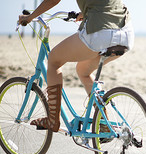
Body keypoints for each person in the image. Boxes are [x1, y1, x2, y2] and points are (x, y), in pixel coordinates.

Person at [18, 0, 134, 132]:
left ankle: (52, 120)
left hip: (101, 32)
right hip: (126, 33)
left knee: (54, 60)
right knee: (83, 70)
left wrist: (29, 17)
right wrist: (85, 12)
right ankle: (103, 122)